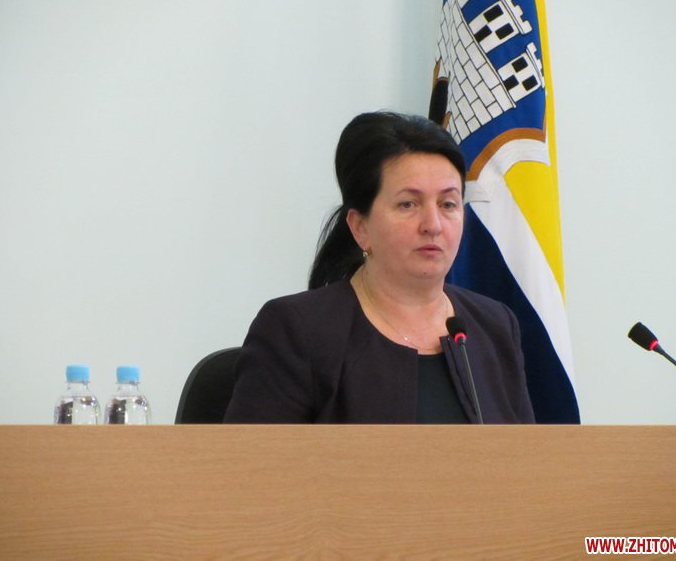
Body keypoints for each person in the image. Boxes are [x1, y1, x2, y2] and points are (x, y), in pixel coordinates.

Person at [223, 111, 534, 424]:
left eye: (448, 204)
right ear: (360, 227)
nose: (433, 225)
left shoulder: (493, 327)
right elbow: (253, 456)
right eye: (408, 204)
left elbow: (526, 454)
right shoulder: (297, 331)